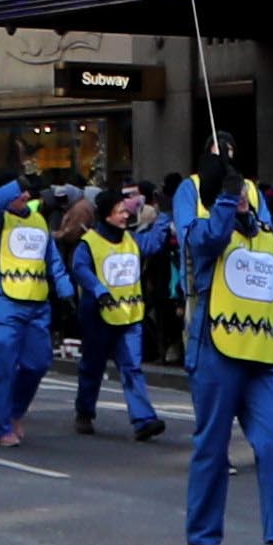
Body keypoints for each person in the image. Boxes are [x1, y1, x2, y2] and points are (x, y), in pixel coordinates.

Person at [172, 154, 273, 545]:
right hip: (215, 353)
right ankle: (203, 537)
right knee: (212, 446)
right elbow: (210, 238)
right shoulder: (200, 234)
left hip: (263, 359)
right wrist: (224, 202)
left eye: (245, 189)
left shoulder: (268, 238)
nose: (244, 194)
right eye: (233, 191)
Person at [59, 181, 160, 437]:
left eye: (126, 211)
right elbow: (80, 269)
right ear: (106, 215)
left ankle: (144, 420)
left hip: (130, 316)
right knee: (92, 367)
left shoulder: (131, 239)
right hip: (98, 317)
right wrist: (98, 290)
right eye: (120, 211)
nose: (126, 215)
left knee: (132, 367)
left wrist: (165, 221)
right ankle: (84, 411)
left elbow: (151, 245)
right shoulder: (88, 244)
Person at [0, 167, 64, 443]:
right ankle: (1, 428)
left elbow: (52, 257)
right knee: (2, 368)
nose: (26, 195)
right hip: (2, 303)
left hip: (37, 303)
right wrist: (19, 182)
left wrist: (64, 287)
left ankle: (14, 413)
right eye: (19, 192)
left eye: (27, 192)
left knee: (38, 363)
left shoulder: (38, 221)